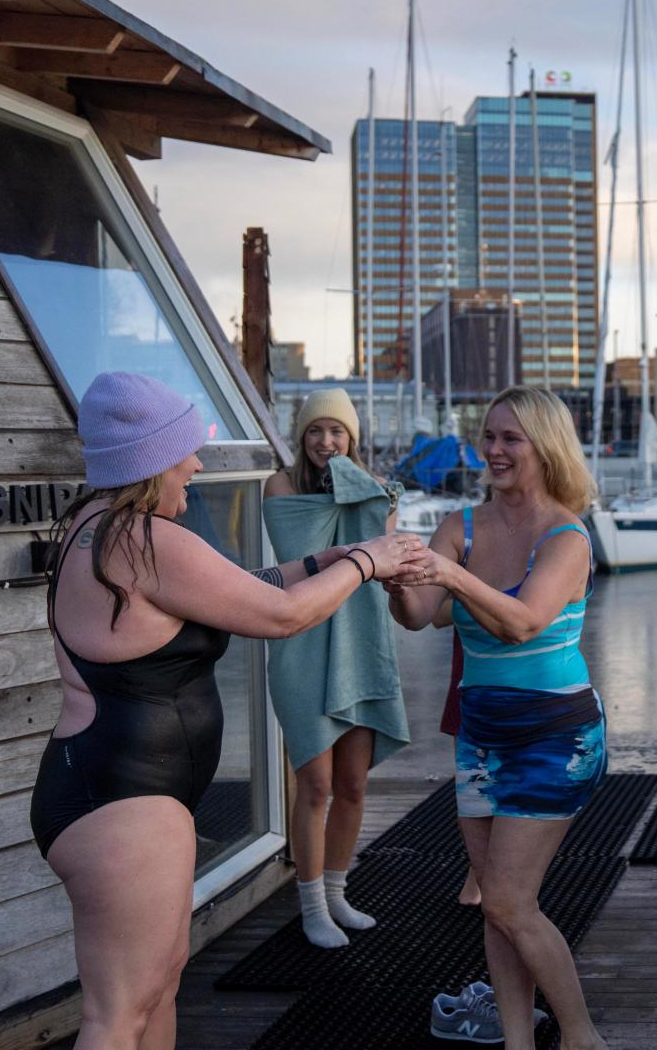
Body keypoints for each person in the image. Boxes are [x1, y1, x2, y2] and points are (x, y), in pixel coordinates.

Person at [32, 372, 427, 1050]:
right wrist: (367, 558)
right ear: (148, 460)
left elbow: (247, 587)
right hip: (119, 799)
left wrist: (328, 556)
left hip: (125, 792)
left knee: (158, 984)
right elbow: (279, 615)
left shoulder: (106, 530)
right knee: (118, 1010)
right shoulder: (140, 540)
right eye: (185, 451)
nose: (195, 464)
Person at [387, 386, 608, 1050]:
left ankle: (580, 1037)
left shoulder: (566, 534)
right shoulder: (462, 526)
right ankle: (515, 1040)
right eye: (488, 436)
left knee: (510, 900)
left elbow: (520, 622)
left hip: (556, 737)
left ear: (545, 446)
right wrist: (396, 575)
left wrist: (449, 578)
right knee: (495, 904)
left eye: (511, 438)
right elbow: (420, 617)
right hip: (482, 739)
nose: (493, 449)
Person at [262, 389, 409, 948]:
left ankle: (339, 894)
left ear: (354, 438)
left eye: (338, 433)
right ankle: (311, 907)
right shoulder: (281, 485)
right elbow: (307, 560)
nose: (327, 443)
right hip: (303, 641)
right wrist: (366, 492)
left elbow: (383, 557)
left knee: (352, 784)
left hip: (361, 639)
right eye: (316, 432)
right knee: (316, 785)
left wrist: (367, 490)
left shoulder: (376, 491)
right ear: (301, 437)